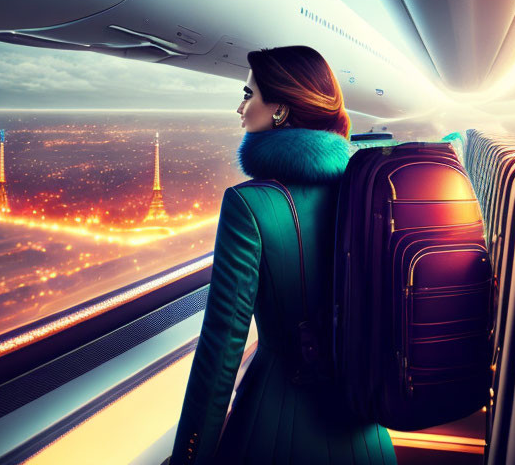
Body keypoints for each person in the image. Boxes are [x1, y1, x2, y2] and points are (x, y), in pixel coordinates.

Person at [169, 45, 397, 464]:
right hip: (366, 430)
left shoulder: (248, 205)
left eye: (248, 94)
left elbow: (222, 350)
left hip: (276, 426)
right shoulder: (368, 190)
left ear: (279, 110)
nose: (240, 108)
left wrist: (189, 455)